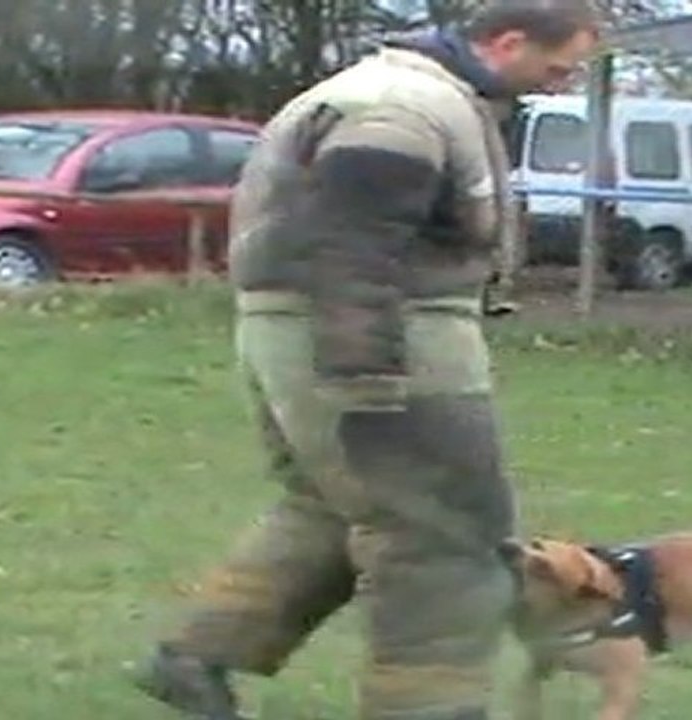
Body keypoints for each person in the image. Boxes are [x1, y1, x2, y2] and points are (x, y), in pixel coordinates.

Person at [135, 2, 600, 719]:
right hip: (384, 335)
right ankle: (429, 707)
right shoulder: (405, 110)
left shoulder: (393, 91)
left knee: (332, 503)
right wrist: (366, 373)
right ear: (508, 42)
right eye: (557, 66)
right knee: (449, 531)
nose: (560, 85)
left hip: (290, 331)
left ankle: (199, 654)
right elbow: (348, 240)